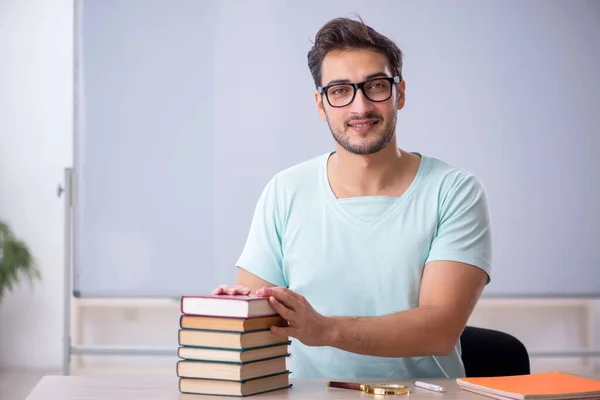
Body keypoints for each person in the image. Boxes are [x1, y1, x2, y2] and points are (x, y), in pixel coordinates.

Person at [212, 16, 492, 380]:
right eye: (340, 90)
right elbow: (257, 321)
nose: (360, 108)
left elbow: (439, 329)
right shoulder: (285, 191)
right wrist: (238, 308)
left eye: (375, 86)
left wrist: (326, 330)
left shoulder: (454, 191)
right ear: (320, 104)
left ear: (399, 93)